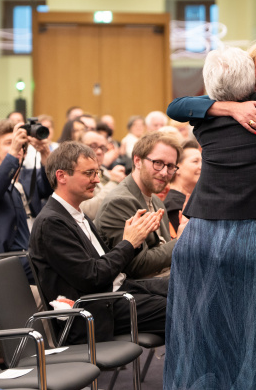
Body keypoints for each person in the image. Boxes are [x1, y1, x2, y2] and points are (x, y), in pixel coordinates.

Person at [165, 44, 256, 390]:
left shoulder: (202, 119)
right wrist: (236, 105)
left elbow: (176, 105)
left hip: (199, 236)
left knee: (202, 333)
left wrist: (222, 107)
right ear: (250, 80)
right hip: (253, 235)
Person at [29, 141, 168, 344]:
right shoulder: (51, 222)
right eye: (88, 174)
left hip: (116, 294)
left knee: (185, 288)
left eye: (97, 173)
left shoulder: (76, 214)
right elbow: (92, 276)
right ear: (62, 176)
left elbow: (107, 264)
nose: (96, 180)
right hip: (95, 310)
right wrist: (128, 242)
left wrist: (135, 236)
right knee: (181, 309)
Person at [94, 132, 179, 278]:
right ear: (137, 161)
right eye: (158, 163)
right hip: (136, 292)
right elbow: (137, 265)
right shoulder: (119, 202)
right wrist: (180, 243)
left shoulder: (156, 201)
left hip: (162, 283)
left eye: (170, 166)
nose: (165, 172)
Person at [0, 120, 52, 266]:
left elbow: (50, 189)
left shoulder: (29, 176)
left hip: (40, 250)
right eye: (9, 142)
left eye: (19, 144)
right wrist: (13, 152)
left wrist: (45, 153)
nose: (17, 146)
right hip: (9, 258)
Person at [77, 131, 126, 221]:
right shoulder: (77, 175)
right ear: (79, 147)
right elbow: (87, 212)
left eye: (103, 148)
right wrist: (113, 183)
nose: (99, 151)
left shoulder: (106, 172)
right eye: (93, 146)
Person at [162, 140, 201, 236]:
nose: (202, 166)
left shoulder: (190, 199)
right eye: (195, 161)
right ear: (177, 168)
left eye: (203, 161)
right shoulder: (173, 205)